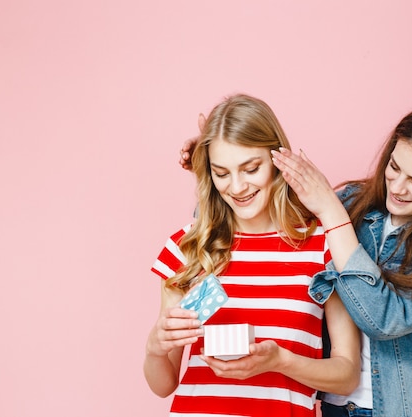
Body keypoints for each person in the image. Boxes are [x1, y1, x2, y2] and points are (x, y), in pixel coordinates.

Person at [180, 102, 412, 416]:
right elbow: (250, 217)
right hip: (336, 404)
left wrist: (330, 211)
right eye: (394, 168)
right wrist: (218, 159)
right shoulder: (356, 202)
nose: (397, 187)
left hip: (410, 405)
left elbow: (385, 320)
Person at [144, 94, 361, 417]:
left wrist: (280, 361)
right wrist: (155, 347)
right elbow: (163, 385)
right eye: (221, 172)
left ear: (277, 159)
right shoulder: (187, 247)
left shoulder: (323, 244)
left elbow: (347, 375)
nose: (237, 187)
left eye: (250, 168)